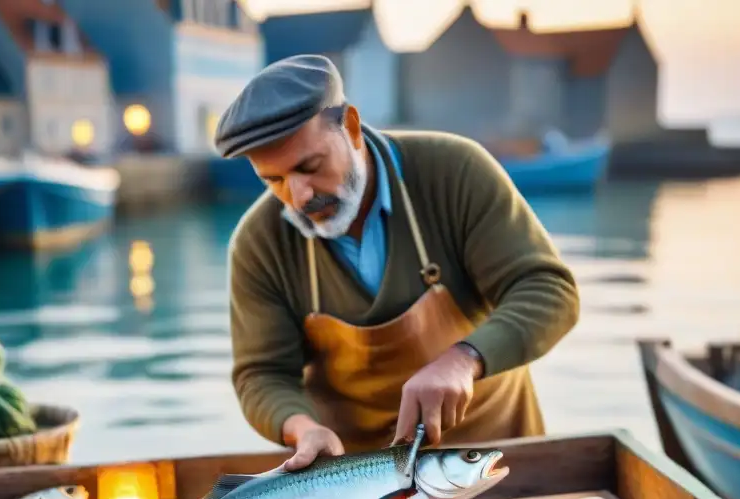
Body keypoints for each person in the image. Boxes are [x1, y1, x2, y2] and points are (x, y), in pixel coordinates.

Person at [216, 55, 579, 471]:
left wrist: (462, 359)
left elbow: (549, 289)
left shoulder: (456, 171)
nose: (298, 197)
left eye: (310, 166)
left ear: (351, 126)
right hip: (359, 483)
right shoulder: (257, 243)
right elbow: (263, 374)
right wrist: (300, 427)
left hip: (494, 462)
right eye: (274, 180)